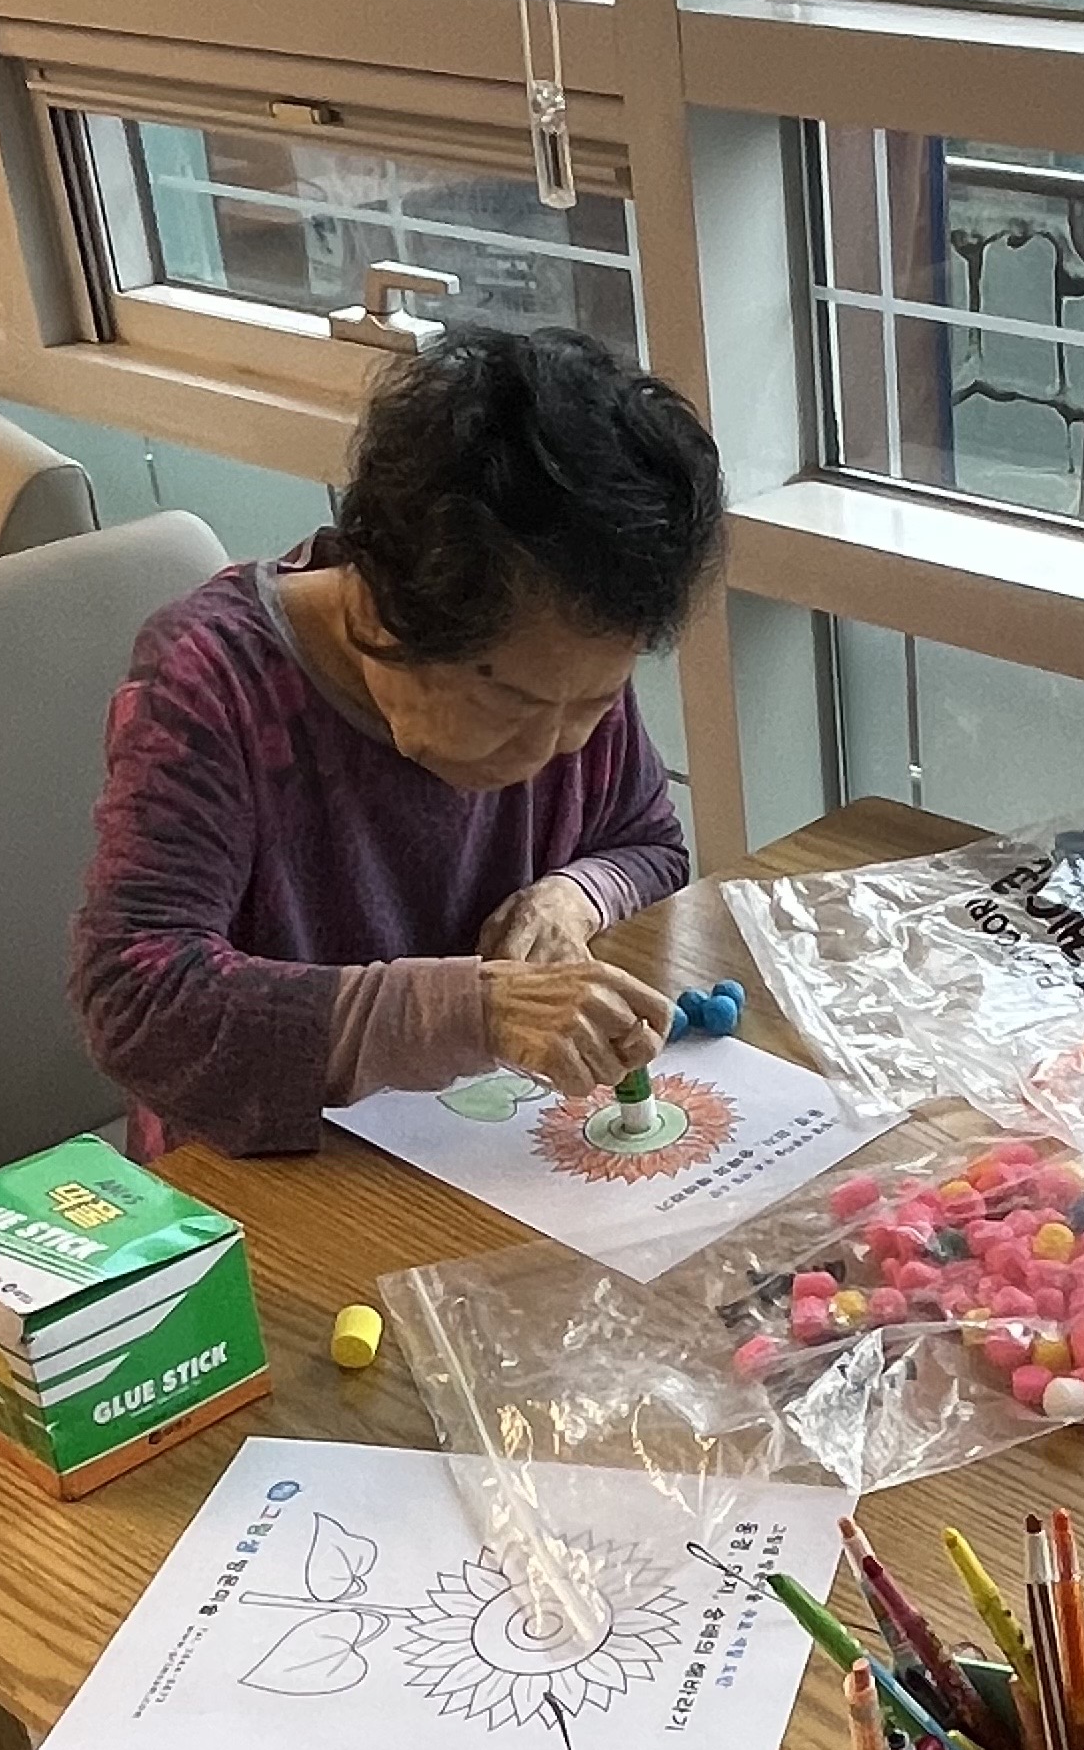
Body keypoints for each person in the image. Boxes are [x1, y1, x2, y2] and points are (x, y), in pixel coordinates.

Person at [71, 326, 718, 1157]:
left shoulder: (565, 652)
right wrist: (472, 1012)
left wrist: (569, 897)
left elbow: (646, 843)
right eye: (513, 704)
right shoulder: (210, 681)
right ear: (381, 608)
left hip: (477, 1144)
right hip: (269, 1173)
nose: (554, 749)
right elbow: (136, 1004)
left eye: (593, 703)